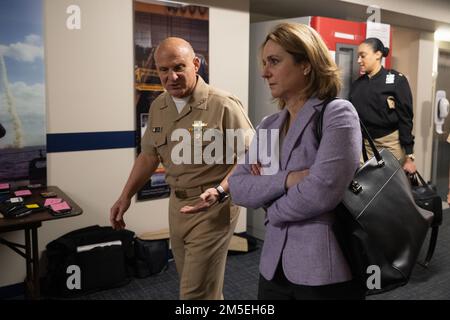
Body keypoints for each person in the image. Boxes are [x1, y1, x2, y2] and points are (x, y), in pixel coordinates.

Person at [227, 23, 364, 299]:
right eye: (265, 63)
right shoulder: (268, 125)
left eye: (274, 62)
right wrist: (289, 179)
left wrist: (271, 208)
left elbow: (321, 192)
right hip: (272, 267)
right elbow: (238, 185)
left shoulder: (337, 114)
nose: (265, 72)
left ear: (306, 64)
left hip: (321, 270)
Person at [110, 37, 254, 300]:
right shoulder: (159, 106)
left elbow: (251, 157)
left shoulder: (222, 104)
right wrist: (125, 195)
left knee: (194, 293)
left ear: (195, 64)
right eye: (164, 70)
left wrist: (220, 191)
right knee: (202, 287)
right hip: (177, 206)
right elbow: (148, 155)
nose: (171, 76)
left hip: (213, 206)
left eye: (179, 67)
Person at [349, 37, 416, 173]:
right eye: (358, 56)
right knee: (366, 188)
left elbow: (405, 118)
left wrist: (409, 155)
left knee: (390, 188)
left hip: (390, 145)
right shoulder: (357, 85)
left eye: (363, 56)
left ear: (378, 54)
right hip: (365, 145)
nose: (358, 61)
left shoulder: (396, 80)